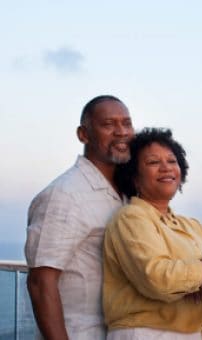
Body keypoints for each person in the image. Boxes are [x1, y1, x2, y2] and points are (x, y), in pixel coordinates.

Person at [103, 127, 202, 340]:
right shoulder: (131, 217)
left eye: (172, 161)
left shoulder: (189, 226)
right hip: (147, 334)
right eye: (153, 162)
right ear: (134, 176)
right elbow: (160, 279)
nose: (166, 168)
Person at [25, 95, 135, 340]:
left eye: (127, 124)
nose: (121, 132)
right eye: (108, 124)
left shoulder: (127, 194)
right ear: (83, 134)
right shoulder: (64, 194)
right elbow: (40, 284)